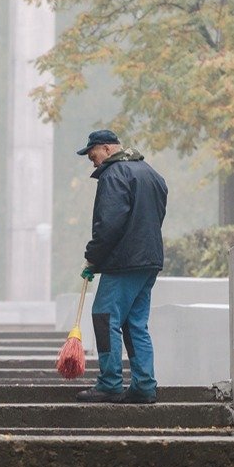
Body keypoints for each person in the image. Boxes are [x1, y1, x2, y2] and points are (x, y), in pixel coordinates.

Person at [75, 129, 168, 404]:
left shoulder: (114, 175)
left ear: (105, 149)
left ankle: (110, 382)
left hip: (124, 262)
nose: (93, 162)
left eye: (93, 156)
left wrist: (93, 257)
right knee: (135, 324)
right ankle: (144, 385)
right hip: (149, 260)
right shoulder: (151, 173)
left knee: (104, 317)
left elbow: (109, 224)